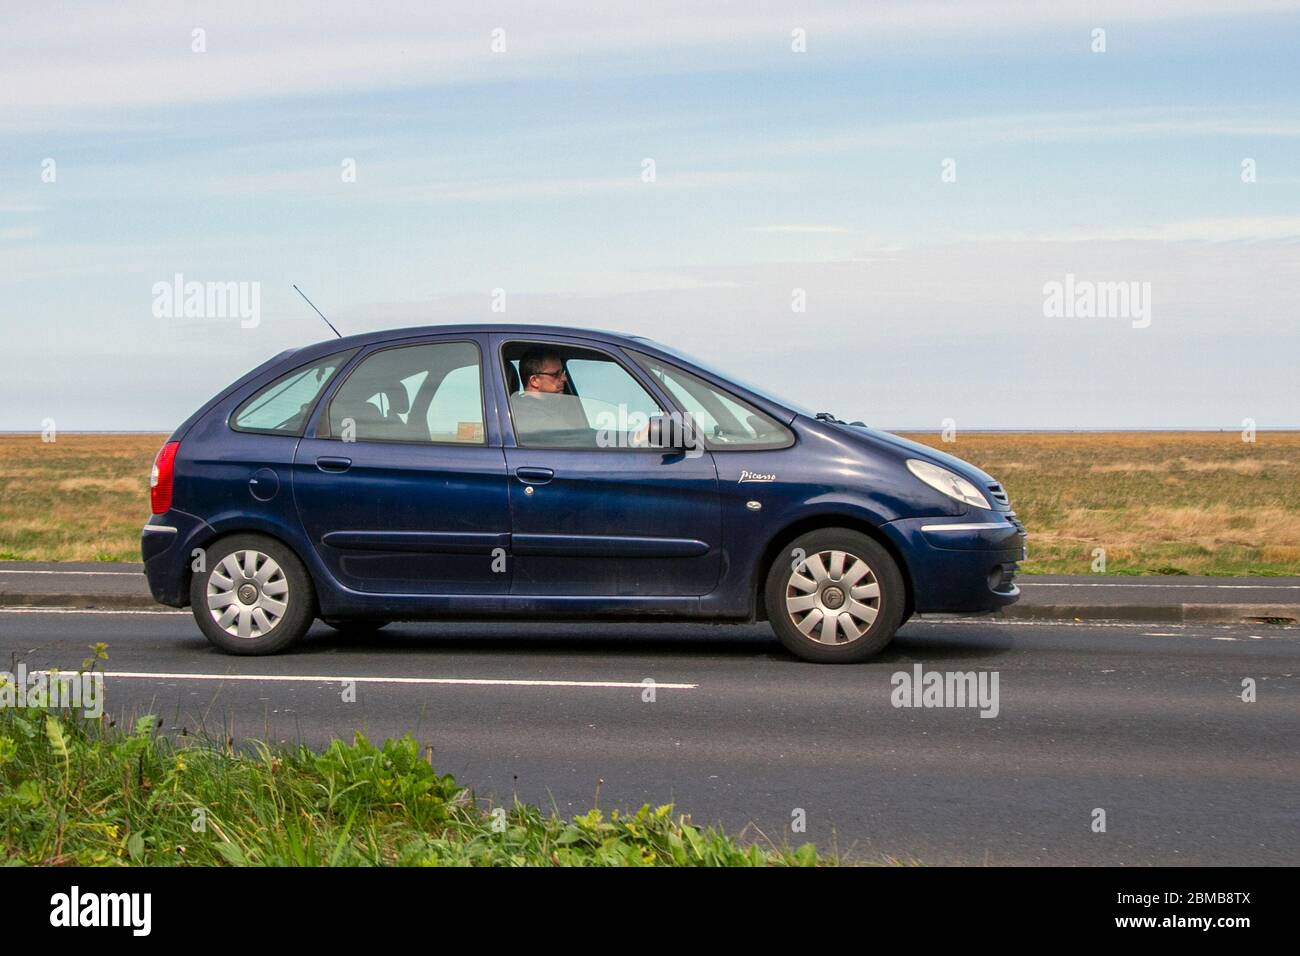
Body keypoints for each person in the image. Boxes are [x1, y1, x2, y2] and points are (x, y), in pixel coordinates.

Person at [509, 348, 590, 444]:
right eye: (556, 374)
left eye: (563, 373)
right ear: (534, 380)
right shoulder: (529, 416)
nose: (564, 378)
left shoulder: (545, 408)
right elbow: (578, 441)